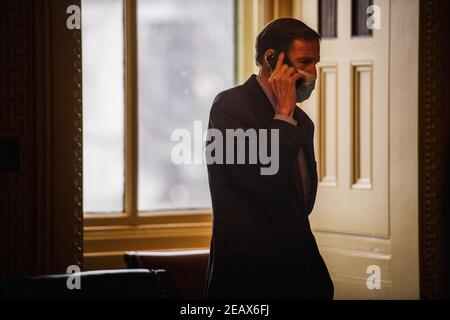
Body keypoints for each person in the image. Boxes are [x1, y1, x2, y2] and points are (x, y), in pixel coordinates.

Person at [203, 18, 334, 300]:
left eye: (316, 62)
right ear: (271, 59)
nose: (313, 72)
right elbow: (262, 185)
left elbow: (299, 206)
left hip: (302, 275)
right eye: (304, 61)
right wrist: (284, 115)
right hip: (249, 279)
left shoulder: (303, 122)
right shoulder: (230, 107)